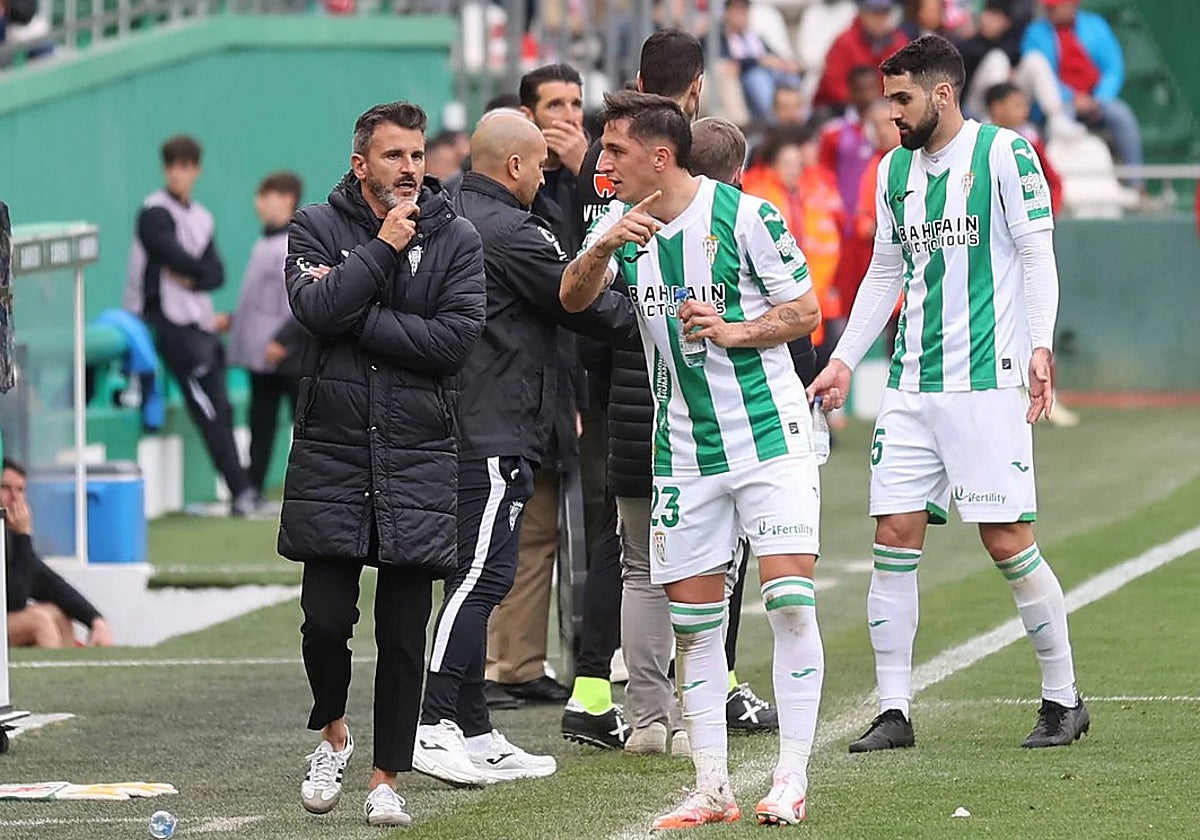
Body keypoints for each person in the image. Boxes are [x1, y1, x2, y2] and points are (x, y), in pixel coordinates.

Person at [808, 35, 1088, 754]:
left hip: (986, 382)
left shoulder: (1004, 154)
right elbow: (884, 272)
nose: (890, 112)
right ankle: (894, 710)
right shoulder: (890, 170)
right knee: (892, 538)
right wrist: (843, 359)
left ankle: (1064, 699)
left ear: (942, 92)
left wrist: (1039, 344)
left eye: (901, 98)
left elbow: (1035, 253)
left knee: (1006, 540)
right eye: (886, 98)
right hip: (910, 386)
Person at [562, 89, 824, 829]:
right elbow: (572, 298)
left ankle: (791, 779)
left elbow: (806, 311)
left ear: (660, 155)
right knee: (696, 625)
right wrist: (603, 246)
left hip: (770, 440)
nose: (601, 163)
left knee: (790, 603)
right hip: (681, 452)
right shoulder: (623, 226)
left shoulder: (747, 216)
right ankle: (713, 786)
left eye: (612, 150)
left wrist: (735, 331)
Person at [412, 110, 637, 786]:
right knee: (481, 576)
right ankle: (429, 722)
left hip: (458, 418)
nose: (544, 176)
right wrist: (656, 308)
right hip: (492, 422)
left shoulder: (446, 206)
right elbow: (586, 303)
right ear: (513, 165)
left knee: (478, 575)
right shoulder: (510, 231)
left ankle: (474, 728)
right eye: (538, 164)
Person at [280, 101, 486, 828]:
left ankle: (385, 778)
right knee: (322, 622)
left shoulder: (457, 236)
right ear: (361, 163)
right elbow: (312, 309)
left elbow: (454, 342)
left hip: (418, 454)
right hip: (334, 455)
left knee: (403, 633)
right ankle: (332, 732)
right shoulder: (313, 226)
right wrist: (382, 251)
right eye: (395, 156)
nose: (410, 169)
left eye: (418, 154)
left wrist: (354, 311)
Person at [486, 62, 603, 708]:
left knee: (540, 535)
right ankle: (492, 663)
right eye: (553, 104)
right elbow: (569, 278)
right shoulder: (511, 193)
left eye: (576, 103)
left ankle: (521, 662)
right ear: (525, 116)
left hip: (560, 380)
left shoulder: (591, 174)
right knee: (504, 529)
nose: (567, 115)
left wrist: (586, 168)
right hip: (516, 383)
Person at [124, 135, 256, 517]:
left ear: (195, 169)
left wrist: (194, 277)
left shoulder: (200, 216)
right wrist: (196, 271)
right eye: (172, 166)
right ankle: (240, 489)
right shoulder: (154, 211)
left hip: (198, 320)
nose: (178, 174)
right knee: (209, 408)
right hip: (164, 320)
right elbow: (173, 255)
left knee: (221, 408)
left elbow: (216, 273)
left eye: (185, 166)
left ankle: (242, 489)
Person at [227, 171, 306, 504]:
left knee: (302, 426)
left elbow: (305, 298)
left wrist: (284, 341)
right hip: (262, 357)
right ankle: (253, 489)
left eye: (266, 195)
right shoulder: (264, 242)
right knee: (261, 424)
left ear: (287, 198)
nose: (259, 203)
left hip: (289, 355)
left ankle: (305, 491)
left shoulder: (295, 241)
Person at [1020, 0, 1143, 185]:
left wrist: (1099, 98)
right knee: (1058, 124)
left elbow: (1113, 68)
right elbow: (1043, 79)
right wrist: (1071, 97)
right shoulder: (1035, 32)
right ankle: (1056, 189)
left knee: (1121, 114)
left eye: (1055, 6)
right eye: (1049, 7)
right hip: (1062, 104)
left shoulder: (1095, 25)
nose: (1050, 10)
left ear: (1072, 6)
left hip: (1096, 98)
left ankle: (1137, 186)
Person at [2, 459, 112, 648]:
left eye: (20, 490)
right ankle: (55, 677)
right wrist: (23, 537)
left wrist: (95, 620)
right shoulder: (15, 537)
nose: (15, 498)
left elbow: (48, 582)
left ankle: (76, 674)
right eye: (5, 488)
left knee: (56, 613)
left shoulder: (11, 534)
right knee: (39, 621)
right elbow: (14, 599)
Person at [815, 0, 909, 114]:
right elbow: (833, 84)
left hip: (886, 106)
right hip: (841, 107)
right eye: (874, 14)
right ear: (863, 15)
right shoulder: (845, 42)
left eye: (884, 14)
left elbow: (905, 78)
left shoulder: (898, 41)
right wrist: (864, 103)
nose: (879, 20)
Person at [718, 0, 803, 125]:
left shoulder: (755, 37)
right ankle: (771, 122)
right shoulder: (721, 38)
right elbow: (729, 63)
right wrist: (758, 62)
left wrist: (786, 64)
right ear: (727, 13)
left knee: (790, 77)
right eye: (737, 10)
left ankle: (797, 118)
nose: (742, 14)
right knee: (757, 78)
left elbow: (772, 56)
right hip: (746, 77)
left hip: (770, 72)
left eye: (744, 10)